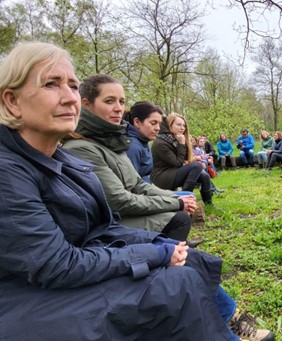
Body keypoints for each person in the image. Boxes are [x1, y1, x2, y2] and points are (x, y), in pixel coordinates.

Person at [0, 41, 274, 341]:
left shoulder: (59, 157)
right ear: (12, 101)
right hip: (31, 297)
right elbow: (58, 262)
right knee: (174, 280)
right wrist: (155, 248)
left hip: (78, 264)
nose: (69, 97)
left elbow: (105, 221)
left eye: (73, 85)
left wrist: (159, 243)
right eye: (51, 84)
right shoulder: (13, 169)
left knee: (187, 257)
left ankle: (227, 322)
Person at [62, 76, 198, 243]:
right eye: (109, 101)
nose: (119, 108)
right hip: (106, 224)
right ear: (86, 104)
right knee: (180, 217)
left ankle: (175, 251)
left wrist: (175, 197)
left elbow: (138, 184)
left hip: (134, 202)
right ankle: (168, 256)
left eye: (121, 102)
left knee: (191, 186)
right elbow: (120, 200)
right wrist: (176, 202)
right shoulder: (81, 148)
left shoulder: (113, 142)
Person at [151, 113, 214, 205]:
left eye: (184, 125)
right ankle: (184, 200)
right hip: (161, 177)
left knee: (204, 176)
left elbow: (186, 158)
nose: (182, 128)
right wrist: (181, 144)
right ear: (170, 125)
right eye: (179, 125)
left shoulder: (174, 139)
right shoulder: (161, 143)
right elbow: (178, 162)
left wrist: (184, 143)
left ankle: (209, 204)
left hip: (173, 172)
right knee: (197, 166)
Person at [124, 100, 163, 183]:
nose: (158, 128)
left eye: (159, 124)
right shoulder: (132, 147)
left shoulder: (143, 142)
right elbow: (131, 183)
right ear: (137, 122)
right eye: (153, 123)